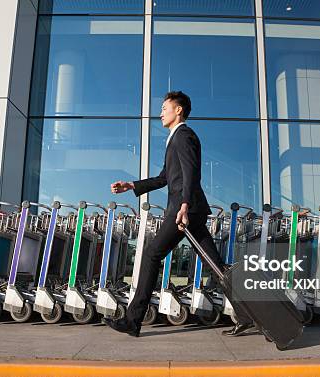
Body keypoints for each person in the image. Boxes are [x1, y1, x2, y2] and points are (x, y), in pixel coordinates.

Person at [105, 91, 255, 337]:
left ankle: (133, 320)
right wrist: (133, 185)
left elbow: (191, 173)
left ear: (179, 110)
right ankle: (248, 313)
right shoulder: (175, 139)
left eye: (165, 107)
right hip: (191, 209)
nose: (161, 112)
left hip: (184, 209)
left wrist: (184, 204)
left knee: (152, 254)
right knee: (215, 265)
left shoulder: (183, 135)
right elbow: (165, 178)